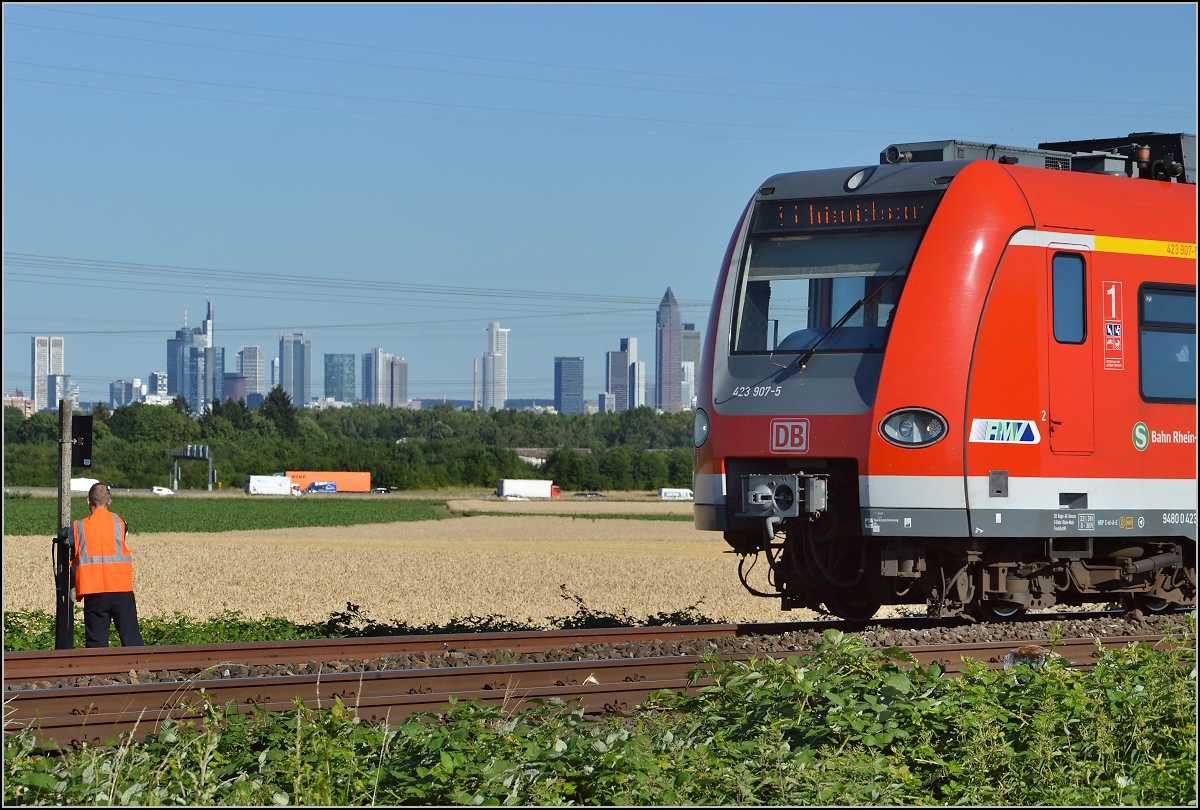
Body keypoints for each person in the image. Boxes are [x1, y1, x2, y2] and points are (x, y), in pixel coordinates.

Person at [71, 482, 144, 647]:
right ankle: (140, 669)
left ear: (88, 501)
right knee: (131, 638)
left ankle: (97, 671)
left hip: (94, 591)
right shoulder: (120, 523)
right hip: (121, 589)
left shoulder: (79, 526)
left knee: (96, 643)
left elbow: (67, 537)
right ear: (109, 502)